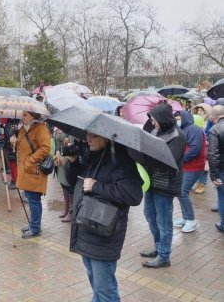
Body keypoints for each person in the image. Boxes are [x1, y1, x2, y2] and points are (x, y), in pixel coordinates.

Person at [67, 133, 143, 302]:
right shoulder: (94, 157)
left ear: (106, 138)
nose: (88, 140)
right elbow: (75, 184)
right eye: (87, 136)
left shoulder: (121, 162)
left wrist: (96, 186)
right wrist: (73, 162)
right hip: (86, 229)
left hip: (103, 236)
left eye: (93, 137)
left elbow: (134, 195)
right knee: (96, 283)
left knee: (105, 289)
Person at [141, 102, 186, 268]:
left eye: (154, 119)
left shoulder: (177, 136)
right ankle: (158, 247)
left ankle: (164, 256)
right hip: (152, 182)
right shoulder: (155, 131)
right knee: (150, 216)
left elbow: (169, 161)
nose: (152, 123)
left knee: (164, 221)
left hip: (166, 185)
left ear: (163, 118)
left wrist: (147, 156)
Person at [10, 111, 51, 239]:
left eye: (26, 114)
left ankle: (35, 228)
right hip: (26, 170)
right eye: (23, 114)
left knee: (34, 200)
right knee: (31, 198)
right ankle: (33, 224)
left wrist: (30, 160)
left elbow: (45, 148)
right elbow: (23, 146)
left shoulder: (40, 128)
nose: (23, 116)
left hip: (34, 170)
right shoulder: (24, 128)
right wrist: (15, 141)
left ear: (34, 116)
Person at [173, 110, 206, 233]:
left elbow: (195, 148)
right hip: (185, 166)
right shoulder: (183, 129)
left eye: (179, 118)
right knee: (180, 192)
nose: (177, 120)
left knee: (182, 192)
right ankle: (185, 217)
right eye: (176, 118)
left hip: (194, 166)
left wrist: (180, 160)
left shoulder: (194, 129)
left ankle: (191, 220)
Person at [207, 105, 224, 233]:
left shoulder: (215, 129)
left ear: (214, 118)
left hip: (222, 169)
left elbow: (213, 154)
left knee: (222, 196)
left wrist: (214, 176)